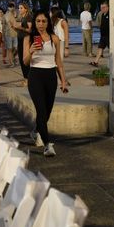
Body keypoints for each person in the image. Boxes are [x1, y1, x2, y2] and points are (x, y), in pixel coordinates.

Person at [24, 10, 68, 157]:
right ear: (34, 23)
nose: (41, 24)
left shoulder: (54, 38)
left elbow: (58, 62)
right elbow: (25, 62)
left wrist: (63, 81)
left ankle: (36, 131)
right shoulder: (28, 39)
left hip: (50, 76)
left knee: (47, 112)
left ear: (48, 23)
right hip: (35, 75)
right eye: (38, 21)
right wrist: (30, 51)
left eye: (44, 21)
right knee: (41, 111)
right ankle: (47, 145)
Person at [13, 2, 32, 86]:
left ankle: (28, 80)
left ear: (26, 9)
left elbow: (30, 30)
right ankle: (26, 79)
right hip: (20, 39)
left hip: (26, 40)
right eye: (19, 8)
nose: (19, 9)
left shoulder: (28, 17)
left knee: (25, 60)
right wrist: (15, 28)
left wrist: (19, 27)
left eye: (21, 8)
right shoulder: (22, 17)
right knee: (21, 60)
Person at [90, 2, 109, 67]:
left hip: (108, 36)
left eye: (103, 7)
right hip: (103, 35)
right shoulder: (103, 14)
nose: (102, 9)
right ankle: (96, 62)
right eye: (101, 8)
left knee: (111, 50)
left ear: (107, 7)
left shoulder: (110, 14)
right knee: (100, 48)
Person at [3, 2, 19, 67]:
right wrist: (3, 36)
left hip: (16, 34)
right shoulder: (6, 15)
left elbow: (19, 22)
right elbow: (3, 25)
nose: (11, 8)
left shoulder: (17, 14)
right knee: (9, 49)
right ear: (8, 8)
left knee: (16, 48)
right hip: (8, 34)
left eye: (12, 7)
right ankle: (11, 63)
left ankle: (14, 59)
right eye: (10, 7)